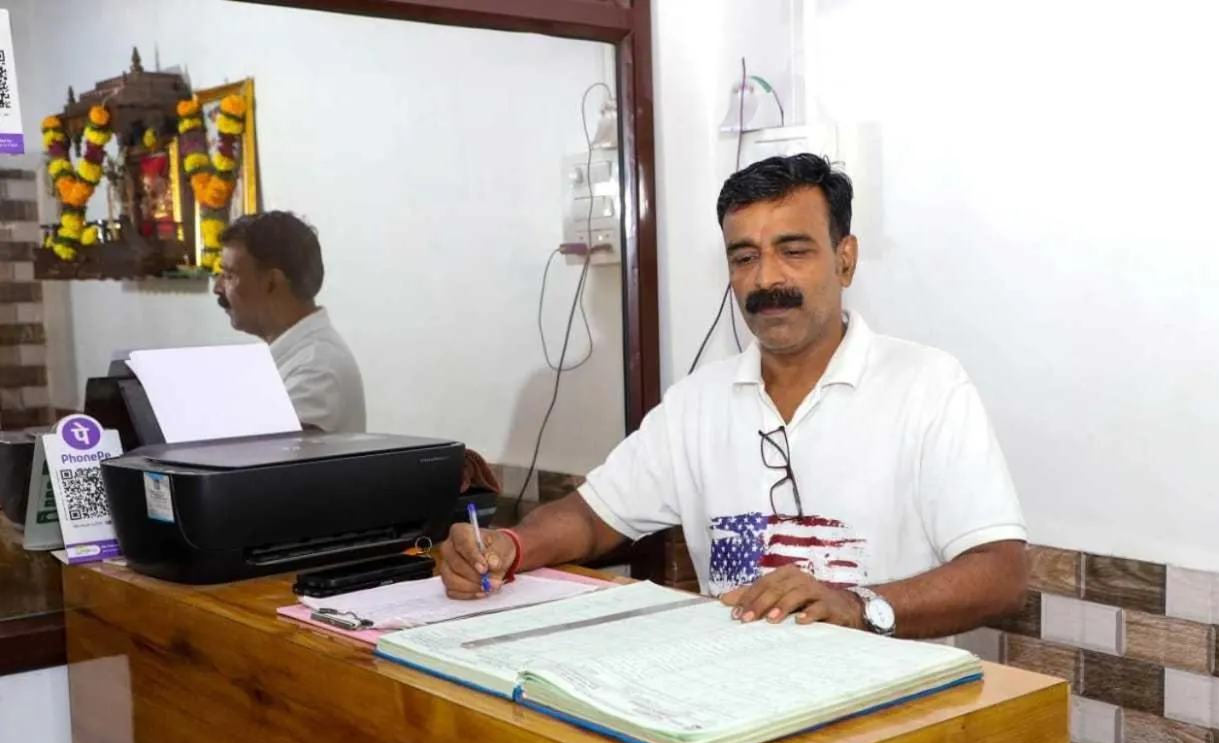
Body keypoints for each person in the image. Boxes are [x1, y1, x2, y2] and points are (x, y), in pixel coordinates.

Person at [440, 154, 1027, 638]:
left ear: (845, 260)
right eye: (744, 257)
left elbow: (1001, 573)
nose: (767, 279)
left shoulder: (927, 386)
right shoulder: (699, 402)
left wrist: (858, 603)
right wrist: (506, 547)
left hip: (887, 715)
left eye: (794, 251)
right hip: (735, 702)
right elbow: (592, 518)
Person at [214, 210, 367, 433]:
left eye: (229, 275)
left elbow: (267, 461)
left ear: (272, 283)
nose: (218, 288)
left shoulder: (316, 370)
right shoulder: (295, 354)